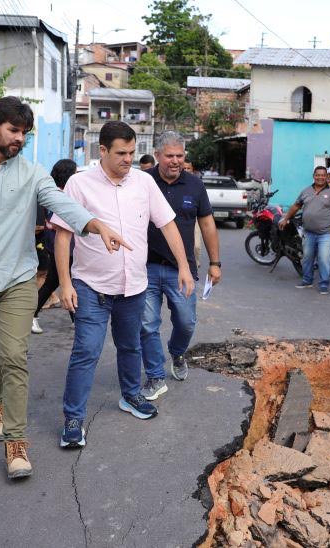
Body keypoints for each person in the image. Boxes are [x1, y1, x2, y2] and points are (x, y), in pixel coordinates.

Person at [0, 96, 129, 480]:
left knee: (14, 355)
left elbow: (59, 203)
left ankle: (16, 444)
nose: (19, 138)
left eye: (24, 133)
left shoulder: (33, 174)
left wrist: (94, 224)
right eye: (13, 130)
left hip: (19, 279)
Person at [54, 122, 194, 449]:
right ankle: (73, 418)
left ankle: (131, 396)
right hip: (91, 287)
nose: (128, 159)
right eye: (121, 153)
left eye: (131, 152)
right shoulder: (79, 184)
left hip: (133, 287)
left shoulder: (144, 183)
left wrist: (185, 266)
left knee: (131, 345)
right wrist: (64, 283)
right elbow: (63, 234)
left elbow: (168, 225)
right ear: (102, 150)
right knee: (87, 350)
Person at [139, 131, 221, 401]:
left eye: (180, 156)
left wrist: (215, 262)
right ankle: (154, 376)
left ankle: (177, 352)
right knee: (148, 324)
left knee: (186, 322)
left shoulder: (195, 185)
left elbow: (207, 224)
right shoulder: (143, 181)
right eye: (170, 156)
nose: (175, 161)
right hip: (146, 267)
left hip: (181, 269)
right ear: (158, 155)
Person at [279, 166, 330, 295]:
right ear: (313, 176)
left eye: (323, 175)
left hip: (327, 233)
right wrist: (285, 219)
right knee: (307, 258)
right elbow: (296, 206)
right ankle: (307, 280)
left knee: (324, 259)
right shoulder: (306, 191)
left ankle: (324, 284)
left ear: (327, 176)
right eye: (317, 175)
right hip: (309, 232)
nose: (320, 177)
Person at [32, 159, 78, 334]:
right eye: (74, 172)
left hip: (60, 242)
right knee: (58, 280)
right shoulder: (57, 195)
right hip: (60, 242)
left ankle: (76, 318)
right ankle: (31, 315)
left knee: (59, 280)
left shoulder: (60, 192)